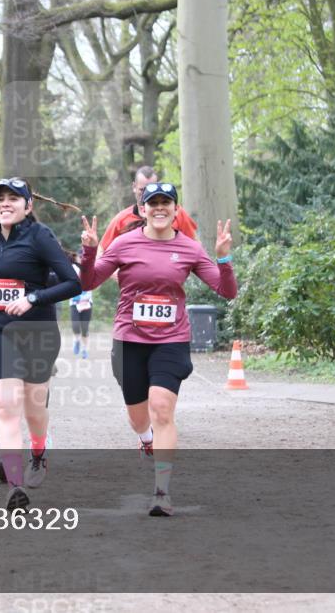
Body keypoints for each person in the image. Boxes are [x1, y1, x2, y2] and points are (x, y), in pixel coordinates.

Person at [79, 182, 237, 517]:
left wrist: (223, 256)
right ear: (143, 209)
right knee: (138, 417)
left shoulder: (190, 248)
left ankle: (161, 492)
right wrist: (90, 251)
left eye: (167, 203)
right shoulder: (124, 243)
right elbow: (88, 283)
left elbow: (226, 291)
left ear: (176, 210)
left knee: (162, 409)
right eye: (154, 203)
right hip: (129, 339)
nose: (160, 208)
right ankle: (146, 438)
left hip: (171, 339)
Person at [0, 178, 81, 510]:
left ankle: (39, 452)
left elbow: (74, 283)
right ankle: (15, 487)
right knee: (5, 405)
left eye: (13, 199)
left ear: (28, 206)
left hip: (37, 333)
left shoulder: (40, 237)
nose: (5, 203)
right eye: (0, 198)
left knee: (34, 408)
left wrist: (33, 297)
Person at [98, 165, 199, 254]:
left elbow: (196, 247)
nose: (145, 195)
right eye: (142, 190)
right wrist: (119, 274)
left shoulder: (177, 213)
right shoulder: (121, 220)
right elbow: (101, 252)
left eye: (150, 190)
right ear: (134, 186)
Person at [68, 251, 93, 359]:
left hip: (87, 303)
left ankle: (84, 350)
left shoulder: (91, 268)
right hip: (74, 302)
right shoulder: (72, 268)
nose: (82, 258)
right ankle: (77, 341)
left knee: (85, 328)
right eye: (80, 256)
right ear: (77, 257)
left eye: (84, 256)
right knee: (75, 326)